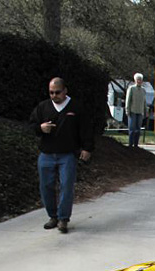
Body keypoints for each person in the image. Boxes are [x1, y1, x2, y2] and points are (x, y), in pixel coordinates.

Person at [28, 77, 93, 234]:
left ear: (65, 91)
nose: (54, 95)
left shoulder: (76, 107)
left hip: (67, 155)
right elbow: (31, 125)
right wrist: (40, 128)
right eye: (51, 92)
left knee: (66, 186)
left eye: (57, 92)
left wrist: (87, 148)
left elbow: (86, 129)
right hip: (46, 154)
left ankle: (63, 219)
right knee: (46, 186)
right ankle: (53, 217)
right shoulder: (43, 107)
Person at [124, 72, 148, 148]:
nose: (139, 81)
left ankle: (136, 144)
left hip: (140, 112)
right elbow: (128, 100)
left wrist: (145, 111)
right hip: (132, 111)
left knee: (138, 129)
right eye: (138, 79)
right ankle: (130, 144)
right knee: (132, 129)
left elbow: (144, 102)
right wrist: (127, 110)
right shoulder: (131, 88)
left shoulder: (143, 90)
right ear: (135, 80)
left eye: (140, 79)